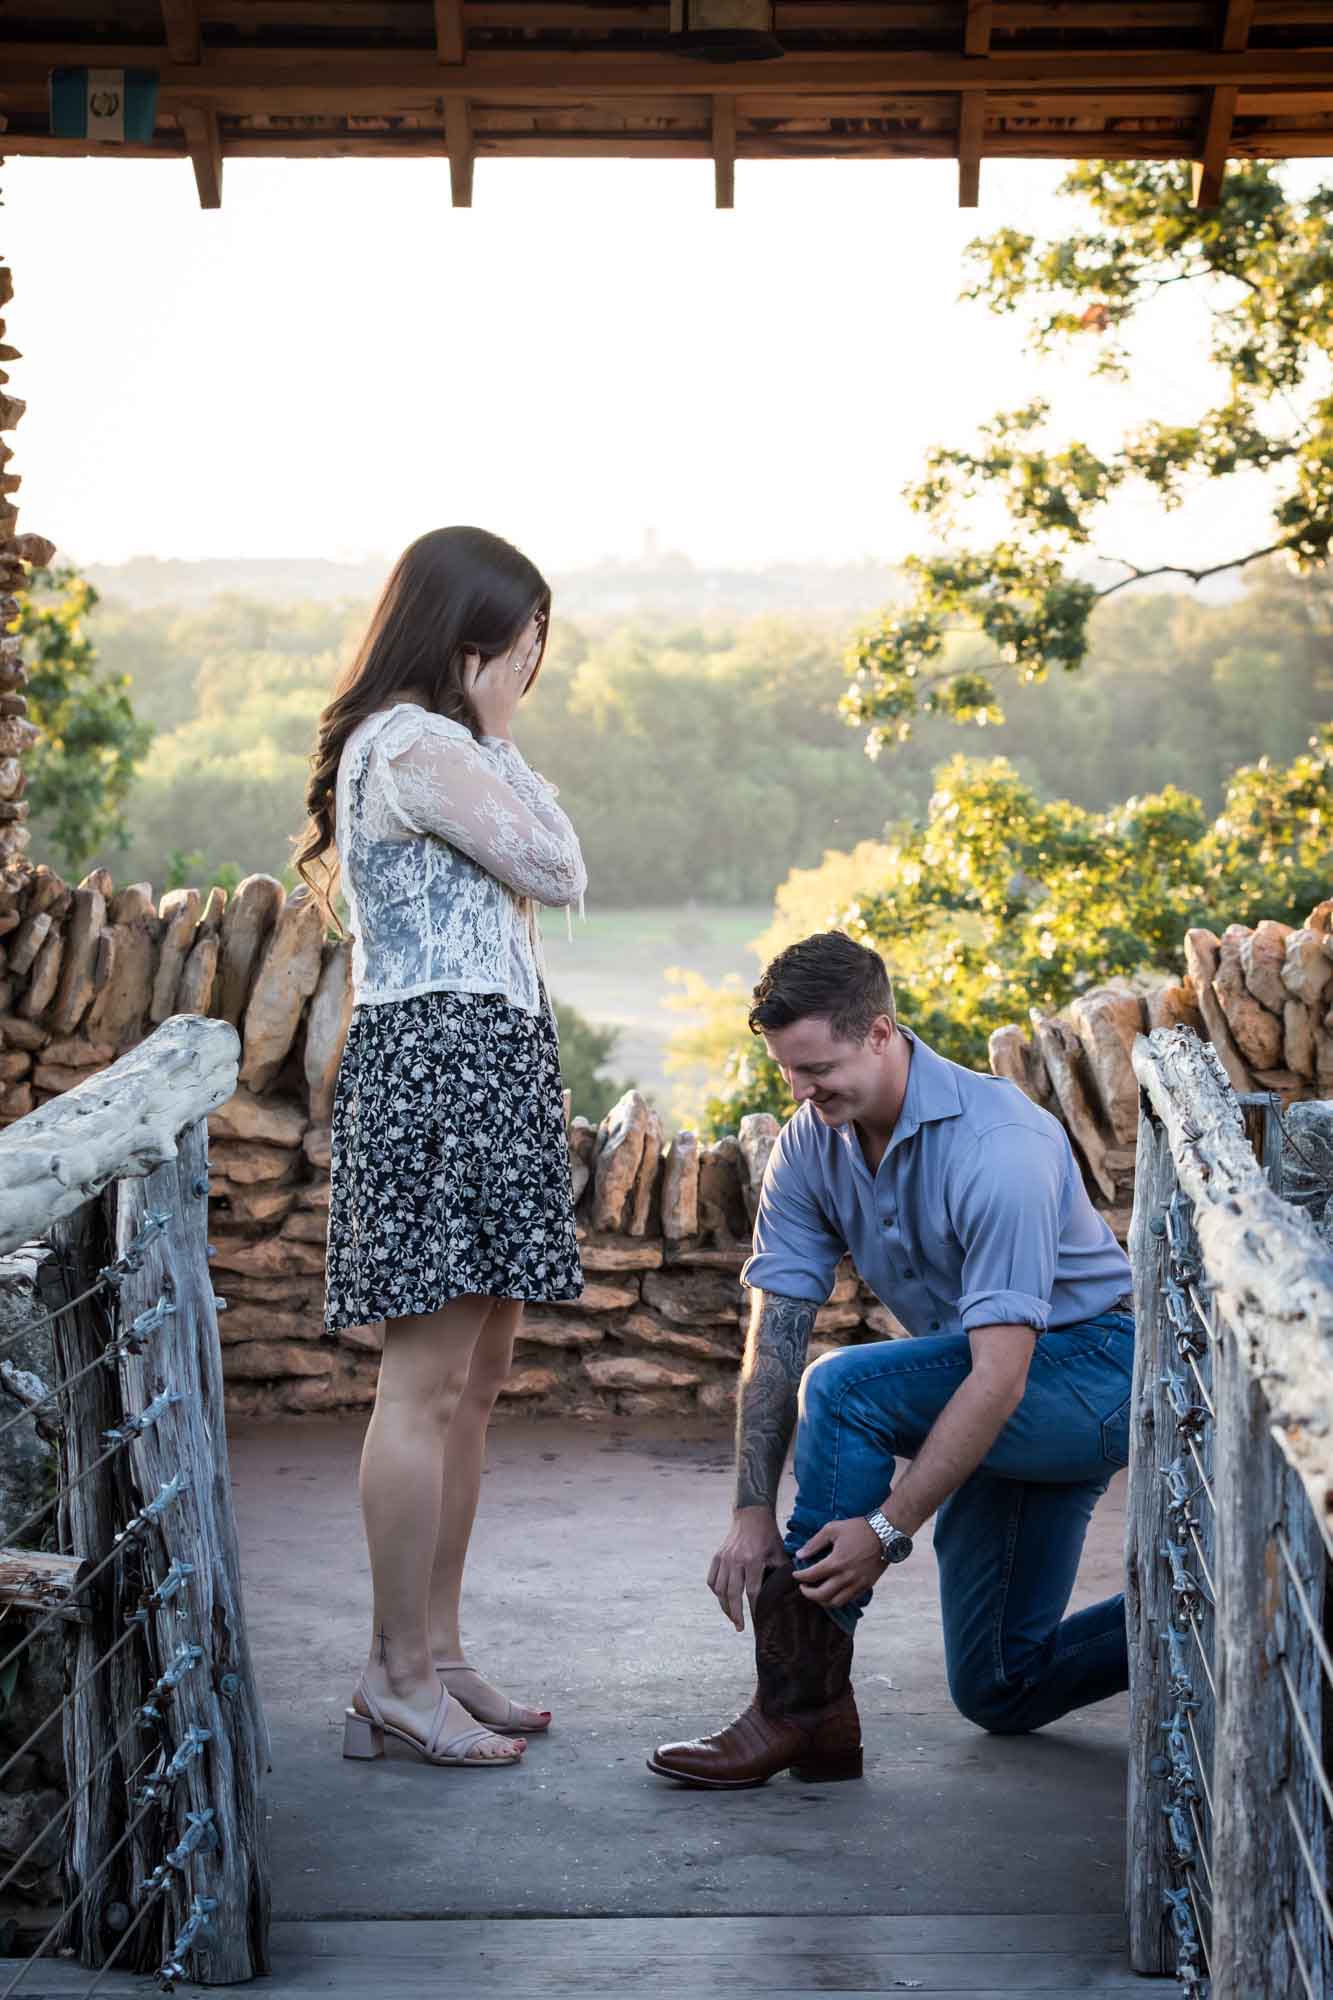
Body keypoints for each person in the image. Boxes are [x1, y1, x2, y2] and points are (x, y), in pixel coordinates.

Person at [650, 930, 1135, 1789]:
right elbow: (775, 1334)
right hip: (994, 1381)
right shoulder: (810, 1142)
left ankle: (801, 1708)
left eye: (816, 1068)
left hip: (1094, 1373)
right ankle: (1219, 1615)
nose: (800, 1093)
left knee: (847, 1388)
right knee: (1000, 1688)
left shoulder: (1000, 1149)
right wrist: (751, 1511)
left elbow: (999, 1374)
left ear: (880, 1032)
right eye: (785, 1072)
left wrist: (885, 1531)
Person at [296, 525, 587, 1771]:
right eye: (524, 637)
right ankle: (394, 1673)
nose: (534, 659)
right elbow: (559, 867)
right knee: (422, 1385)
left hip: (493, 1055)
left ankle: (439, 1651)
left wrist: (498, 735)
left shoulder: (443, 743)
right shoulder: (418, 746)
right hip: (439, 1064)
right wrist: (503, 734)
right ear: (469, 635)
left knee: (476, 1380)